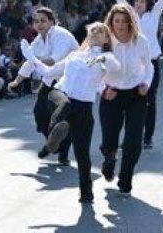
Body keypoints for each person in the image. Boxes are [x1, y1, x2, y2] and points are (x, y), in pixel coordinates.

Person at [16, 22, 119, 203]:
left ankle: (86, 192)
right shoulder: (74, 55)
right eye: (92, 30)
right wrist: (30, 56)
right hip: (60, 95)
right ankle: (55, 135)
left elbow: (112, 70)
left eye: (100, 31)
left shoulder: (106, 58)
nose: (95, 32)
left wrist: (104, 79)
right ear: (87, 36)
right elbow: (48, 71)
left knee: (82, 153)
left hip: (83, 107)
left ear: (106, 39)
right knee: (64, 104)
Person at [101, 0, 163, 150]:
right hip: (132, 65)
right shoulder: (130, 15)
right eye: (136, 1)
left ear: (147, 3)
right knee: (130, 102)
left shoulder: (154, 14)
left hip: (150, 64)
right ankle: (130, 137)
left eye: (141, 1)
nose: (138, 4)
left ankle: (148, 137)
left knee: (149, 99)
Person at [6, 7, 78, 165]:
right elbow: (30, 63)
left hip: (69, 81)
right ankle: (54, 144)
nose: (39, 24)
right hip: (50, 79)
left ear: (52, 21)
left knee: (61, 116)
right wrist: (16, 81)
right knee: (39, 114)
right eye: (36, 21)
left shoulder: (61, 35)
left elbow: (53, 61)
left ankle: (62, 154)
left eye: (43, 20)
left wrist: (33, 58)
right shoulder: (38, 40)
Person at [98, 4, 154, 196]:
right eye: (117, 21)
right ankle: (109, 158)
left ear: (131, 22)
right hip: (111, 94)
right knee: (109, 140)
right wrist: (103, 90)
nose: (120, 25)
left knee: (133, 140)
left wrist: (146, 83)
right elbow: (93, 69)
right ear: (111, 22)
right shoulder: (104, 42)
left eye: (124, 21)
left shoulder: (140, 41)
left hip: (135, 94)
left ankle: (126, 177)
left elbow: (149, 67)